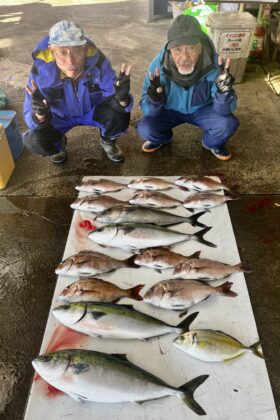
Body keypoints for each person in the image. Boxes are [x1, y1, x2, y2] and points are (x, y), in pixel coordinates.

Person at [23, 20, 132, 164]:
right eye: (62, 52)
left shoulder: (99, 62)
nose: (70, 61)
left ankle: (107, 141)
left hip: (91, 112)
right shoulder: (40, 71)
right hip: (60, 117)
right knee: (35, 140)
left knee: (120, 113)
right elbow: (29, 115)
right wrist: (40, 115)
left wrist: (122, 98)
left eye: (77, 51)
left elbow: (115, 97)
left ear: (85, 49)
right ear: (51, 51)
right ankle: (59, 144)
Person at [137, 15, 239, 161]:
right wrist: (154, 100)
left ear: (200, 47)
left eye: (191, 48)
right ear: (169, 49)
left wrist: (224, 93)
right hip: (169, 110)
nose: (184, 57)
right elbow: (146, 108)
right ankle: (162, 139)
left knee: (227, 124)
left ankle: (211, 144)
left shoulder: (215, 64)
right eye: (177, 49)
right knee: (145, 128)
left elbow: (224, 110)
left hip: (202, 110)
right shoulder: (157, 66)